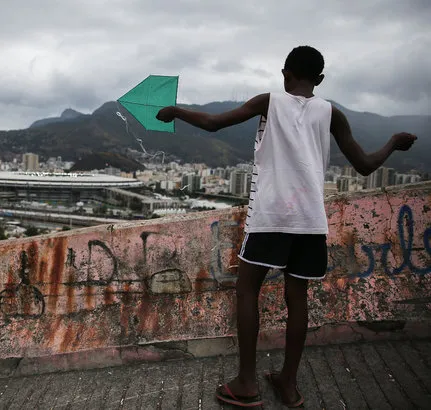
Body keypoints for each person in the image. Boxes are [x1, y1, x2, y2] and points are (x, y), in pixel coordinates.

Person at [156, 45, 417, 408]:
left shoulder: (270, 101)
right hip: (310, 222)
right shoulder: (332, 114)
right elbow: (364, 165)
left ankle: (247, 383)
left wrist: (175, 111)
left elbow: (215, 123)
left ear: (285, 74)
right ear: (320, 80)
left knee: (248, 291)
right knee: (298, 300)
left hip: (271, 218)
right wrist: (393, 142)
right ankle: (289, 385)